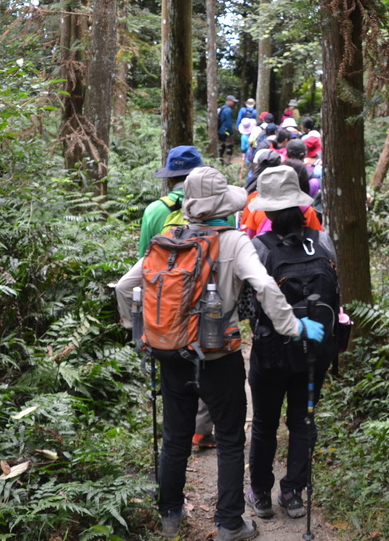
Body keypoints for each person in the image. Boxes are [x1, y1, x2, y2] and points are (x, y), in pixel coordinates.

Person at [116, 166, 325, 541]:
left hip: (169, 353)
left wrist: (144, 333)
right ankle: (230, 523)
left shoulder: (168, 238)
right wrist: (294, 327)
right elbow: (263, 285)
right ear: (222, 205)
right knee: (230, 438)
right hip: (218, 357)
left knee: (176, 435)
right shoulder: (233, 241)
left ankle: (170, 515)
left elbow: (126, 287)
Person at [244, 165, 338, 521]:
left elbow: (246, 303)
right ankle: (294, 493)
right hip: (315, 351)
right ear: (301, 206)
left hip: (270, 353)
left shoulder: (259, 248)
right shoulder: (323, 240)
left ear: (265, 210)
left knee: (265, 423)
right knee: (303, 421)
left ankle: (261, 494)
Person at [136, 146, 218, 450]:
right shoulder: (216, 206)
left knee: (173, 366)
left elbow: (144, 263)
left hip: (165, 306)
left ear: (171, 177)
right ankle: (202, 429)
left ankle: (176, 436)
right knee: (207, 361)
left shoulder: (155, 211)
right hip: (207, 303)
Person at [218, 95, 238, 164]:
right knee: (230, 145)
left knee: (222, 145)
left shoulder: (222, 108)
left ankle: (220, 160)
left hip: (220, 130)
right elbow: (228, 123)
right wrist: (232, 133)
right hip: (226, 131)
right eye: (233, 102)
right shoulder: (228, 110)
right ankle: (228, 162)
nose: (234, 104)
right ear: (229, 101)